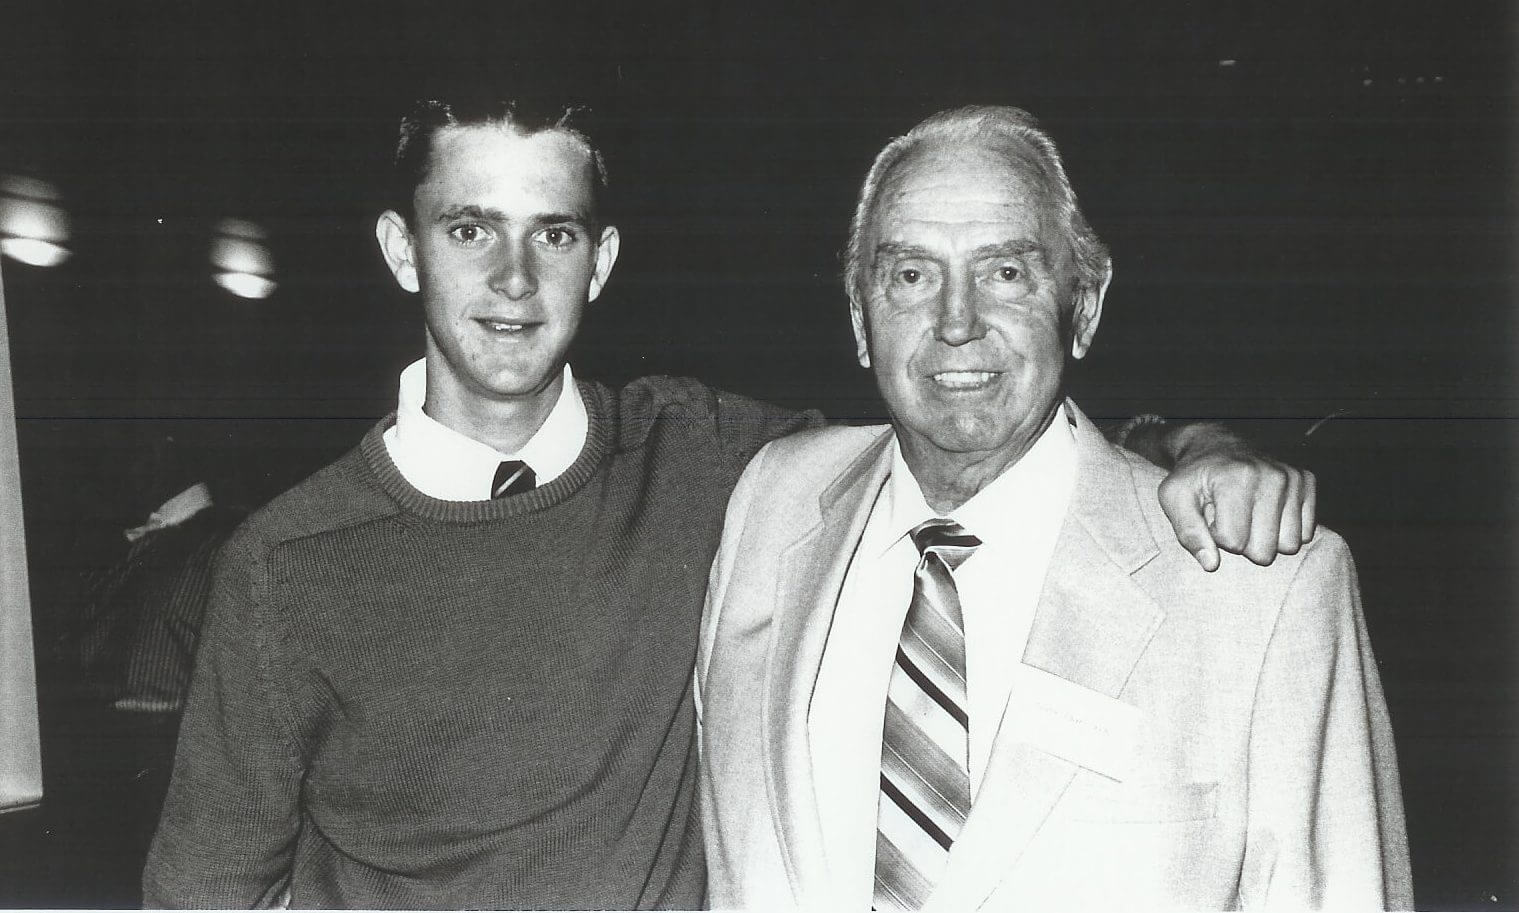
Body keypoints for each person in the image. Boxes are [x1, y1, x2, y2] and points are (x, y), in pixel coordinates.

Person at [144, 97, 1319, 909]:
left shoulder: (716, 463)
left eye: (552, 232)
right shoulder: (286, 564)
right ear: (404, 250)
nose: (513, 280)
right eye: (470, 230)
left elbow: (968, 420)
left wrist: (1185, 444)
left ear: (599, 262)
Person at [696, 105, 1412, 910]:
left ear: (1084, 305)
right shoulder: (770, 503)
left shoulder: (1263, 589)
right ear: (860, 319)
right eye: (909, 274)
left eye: (1004, 272)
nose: (956, 322)